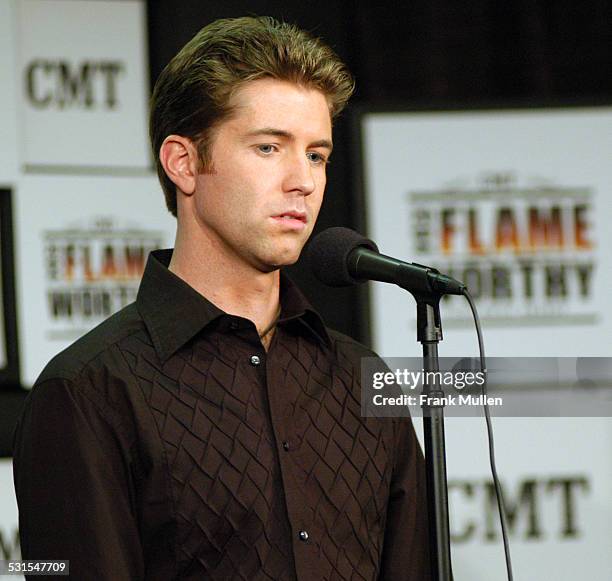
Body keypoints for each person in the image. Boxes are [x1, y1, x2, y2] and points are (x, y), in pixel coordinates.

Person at [13, 16, 431, 580]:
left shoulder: (361, 378)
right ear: (183, 163)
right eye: (268, 147)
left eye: (316, 155)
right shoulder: (89, 391)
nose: (302, 181)